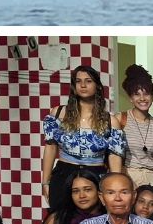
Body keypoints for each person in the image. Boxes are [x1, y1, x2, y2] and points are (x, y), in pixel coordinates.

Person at [42, 65, 126, 213]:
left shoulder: (110, 121)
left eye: (88, 81)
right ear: (73, 86)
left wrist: (115, 186)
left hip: (95, 175)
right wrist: (45, 182)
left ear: (97, 86)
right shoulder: (58, 113)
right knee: (59, 223)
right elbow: (50, 148)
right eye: (78, 81)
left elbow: (115, 157)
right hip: (63, 174)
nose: (82, 85)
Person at [117, 64, 153, 187]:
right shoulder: (120, 119)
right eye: (137, 94)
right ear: (131, 98)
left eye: (146, 94)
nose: (142, 98)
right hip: (127, 176)